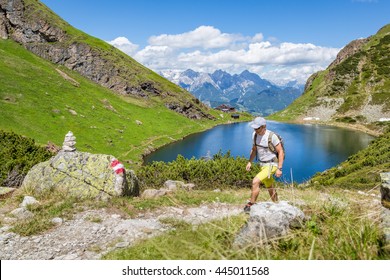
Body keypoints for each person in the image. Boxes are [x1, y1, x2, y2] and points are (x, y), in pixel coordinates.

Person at [244, 117, 284, 213]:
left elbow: (280, 151)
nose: (255, 130)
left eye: (257, 128)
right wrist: (250, 162)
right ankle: (276, 204)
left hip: (272, 164)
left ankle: (251, 204)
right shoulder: (254, 135)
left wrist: (279, 168)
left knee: (255, 181)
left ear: (264, 126)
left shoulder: (272, 136)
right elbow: (254, 150)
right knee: (270, 186)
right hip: (262, 165)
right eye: (254, 128)